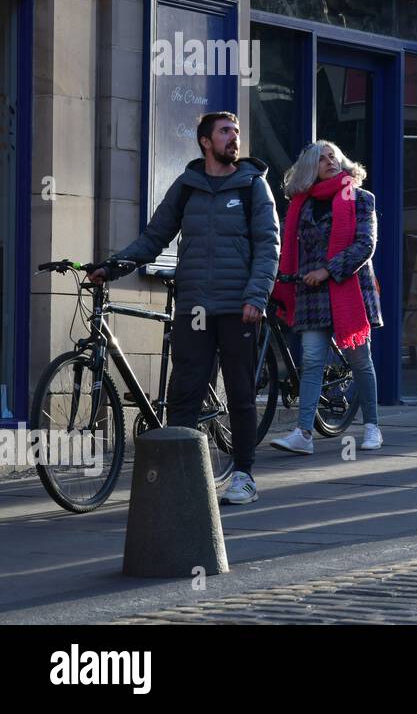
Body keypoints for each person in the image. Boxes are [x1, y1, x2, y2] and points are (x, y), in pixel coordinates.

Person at [92, 112, 280, 505]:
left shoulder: (252, 186)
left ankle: (244, 475)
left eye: (237, 132)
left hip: (238, 307)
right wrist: (113, 266)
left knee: (241, 393)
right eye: (225, 132)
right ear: (205, 142)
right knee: (184, 393)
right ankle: (182, 477)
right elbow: (154, 237)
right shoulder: (187, 187)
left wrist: (256, 296)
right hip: (193, 305)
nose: (234, 139)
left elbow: (268, 245)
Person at [268, 141, 384, 455]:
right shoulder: (300, 205)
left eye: (333, 155)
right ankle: (303, 433)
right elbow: (291, 251)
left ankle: (372, 426)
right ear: (310, 168)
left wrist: (327, 270)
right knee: (311, 362)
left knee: (360, 360)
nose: (330, 161)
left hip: (349, 291)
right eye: (322, 159)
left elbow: (364, 246)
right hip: (311, 295)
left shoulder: (360, 198)